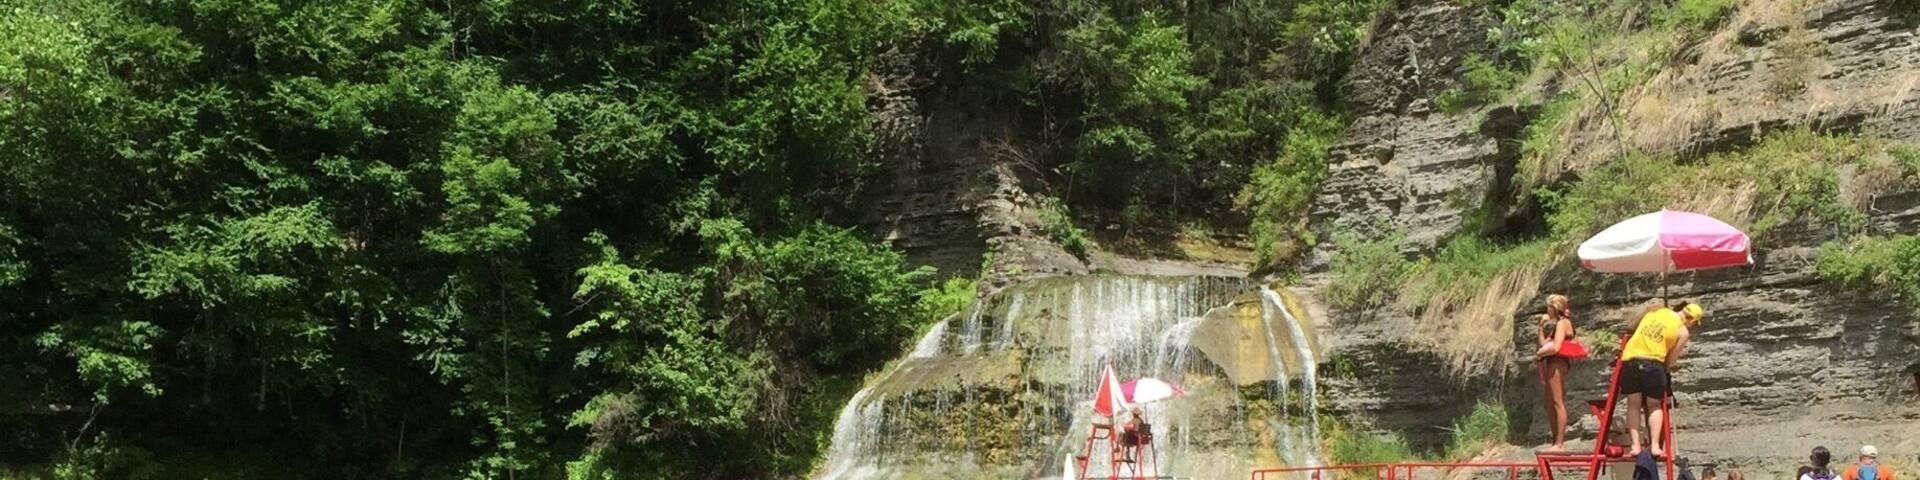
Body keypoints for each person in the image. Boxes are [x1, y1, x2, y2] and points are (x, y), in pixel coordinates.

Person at [1618, 301, 1702, 458]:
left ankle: (1635, 445)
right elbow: (1671, 360)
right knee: (1654, 405)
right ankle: (1655, 446)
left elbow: (1635, 328)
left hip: (1630, 359)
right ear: (1692, 320)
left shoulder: (1656, 311)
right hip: (1653, 362)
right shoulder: (1682, 331)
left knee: (1633, 403)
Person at [1534, 294, 1586, 452]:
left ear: (1555, 308)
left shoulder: (1563, 323)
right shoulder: (1557, 323)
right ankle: (1555, 440)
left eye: (1549, 307)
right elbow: (1544, 343)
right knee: (1549, 403)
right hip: (1551, 362)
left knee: (1558, 401)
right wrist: (1541, 327)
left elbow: (1556, 348)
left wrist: (1541, 354)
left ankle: (1559, 443)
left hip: (1557, 363)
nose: (1547, 310)